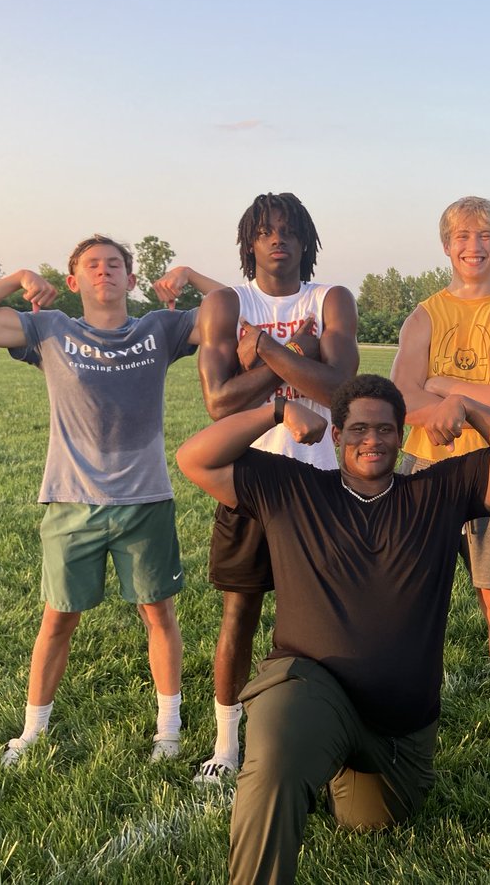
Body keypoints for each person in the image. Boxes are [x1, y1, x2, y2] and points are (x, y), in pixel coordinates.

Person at [176, 374, 490, 884]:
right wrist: (275, 412)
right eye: (357, 430)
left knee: (367, 819)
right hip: (310, 687)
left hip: (400, 731)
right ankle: (295, 767)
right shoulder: (292, 487)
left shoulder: (439, 491)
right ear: (335, 435)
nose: (371, 441)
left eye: (384, 429)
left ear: (402, 435)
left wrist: (469, 409)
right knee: (277, 755)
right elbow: (194, 458)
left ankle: (321, 768)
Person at [0, 234, 218, 765]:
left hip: (145, 499)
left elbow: (239, 313)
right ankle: (34, 732)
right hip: (71, 501)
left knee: (159, 614)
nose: (104, 271)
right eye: (92, 265)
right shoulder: (50, 330)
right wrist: (18, 277)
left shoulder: (160, 328)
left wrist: (191, 274)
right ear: (73, 282)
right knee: (58, 619)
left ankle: (169, 730)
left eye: (115, 265)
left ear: (133, 281)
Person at [154, 192, 359, 783]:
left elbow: (340, 388)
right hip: (247, 480)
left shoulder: (331, 298)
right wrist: (297, 353)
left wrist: (264, 350)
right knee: (239, 613)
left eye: (290, 230)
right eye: (266, 231)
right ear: (249, 242)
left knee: (325, 618)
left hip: (320, 480)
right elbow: (219, 403)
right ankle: (225, 746)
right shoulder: (225, 302)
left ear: (306, 240)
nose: (278, 240)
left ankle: (326, 736)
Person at [390, 196, 490, 770]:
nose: (473, 246)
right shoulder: (423, 316)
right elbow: (402, 395)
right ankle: (398, 708)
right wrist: (442, 405)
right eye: (462, 236)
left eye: (485, 236)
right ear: (446, 244)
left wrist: (448, 386)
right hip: (423, 469)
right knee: (405, 599)